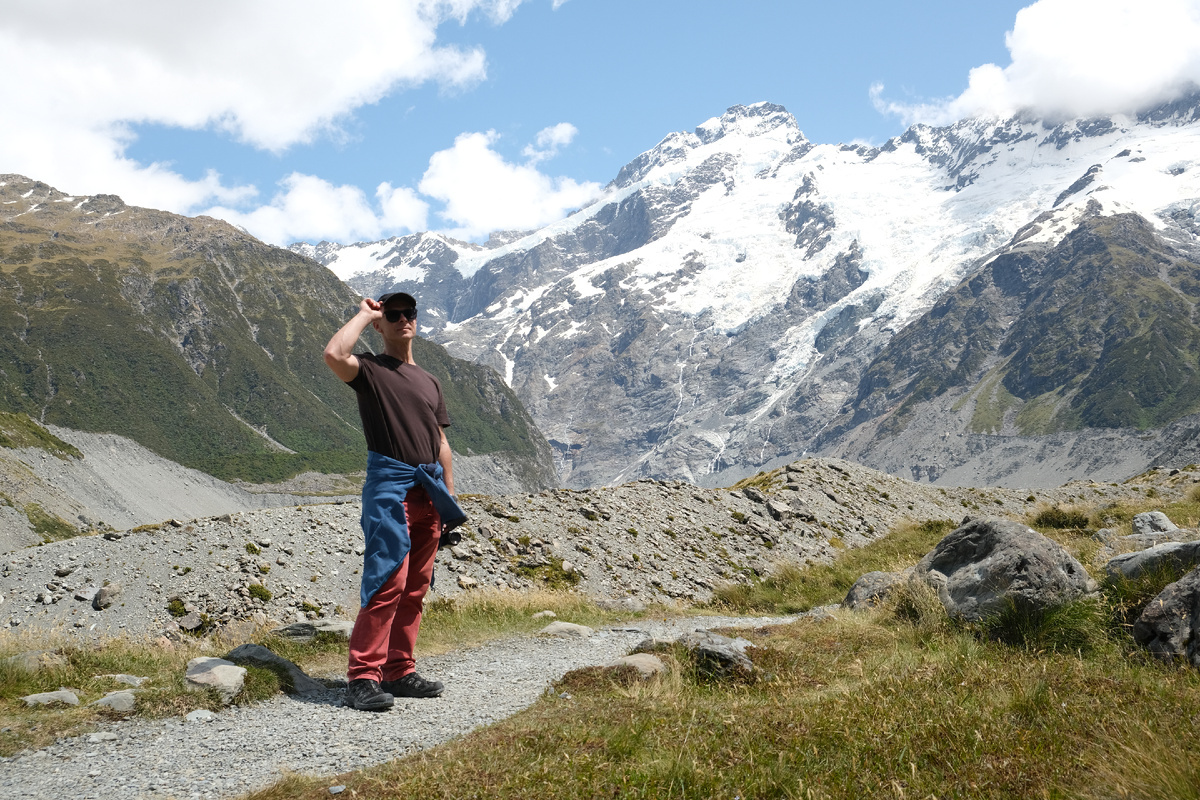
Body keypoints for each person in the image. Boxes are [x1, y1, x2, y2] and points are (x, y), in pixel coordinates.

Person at [323, 291, 466, 711]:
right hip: (390, 487)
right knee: (388, 581)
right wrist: (364, 315)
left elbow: (441, 441)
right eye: (393, 314)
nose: (403, 319)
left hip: (430, 490)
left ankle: (399, 670)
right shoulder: (369, 369)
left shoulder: (430, 381)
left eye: (409, 313)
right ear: (381, 325)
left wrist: (449, 500)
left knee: (417, 586)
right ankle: (363, 677)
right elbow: (334, 353)